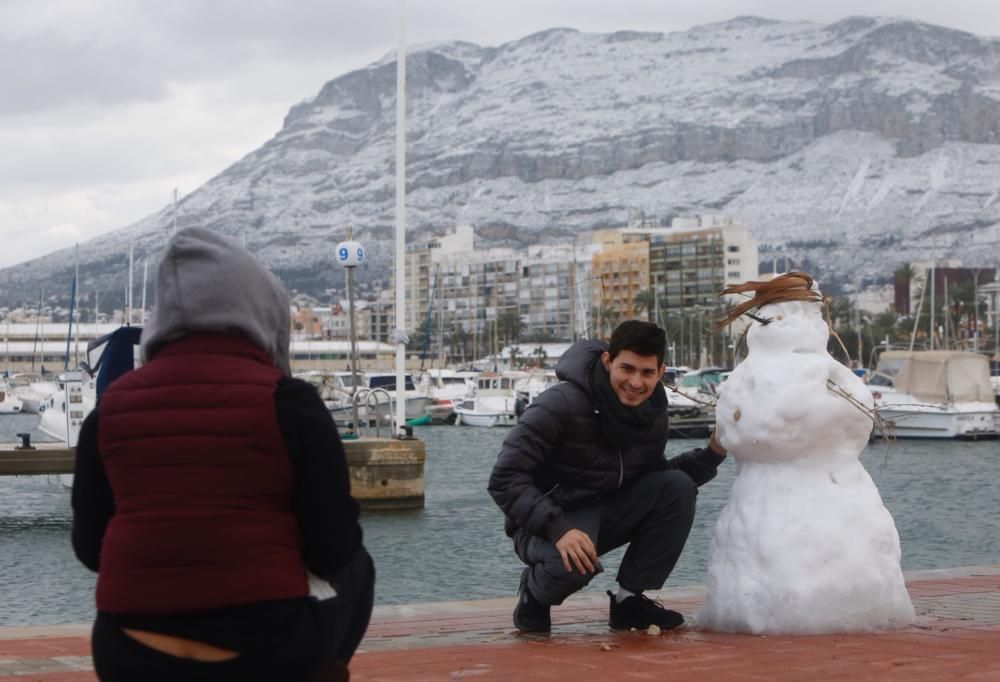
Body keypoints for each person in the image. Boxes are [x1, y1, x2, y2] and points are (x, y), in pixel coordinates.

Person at [71, 226, 373, 681]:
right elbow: (334, 549)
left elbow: (90, 550)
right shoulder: (288, 403)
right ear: (261, 309)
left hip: (129, 651)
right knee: (358, 567)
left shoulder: (109, 409)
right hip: (262, 652)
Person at [488, 320, 727, 633]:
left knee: (677, 488)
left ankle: (629, 601)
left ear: (660, 371)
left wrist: (713, 453)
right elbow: (505, 478)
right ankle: (534, 594)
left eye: (647, 372)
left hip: (605, 509)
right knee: (571, 564)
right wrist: (558, 529)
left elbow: (656, 479)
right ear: (607, 361)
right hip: (546, 522)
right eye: (626, 368)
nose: (636, 382)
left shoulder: (652, 412)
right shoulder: (559, 404)